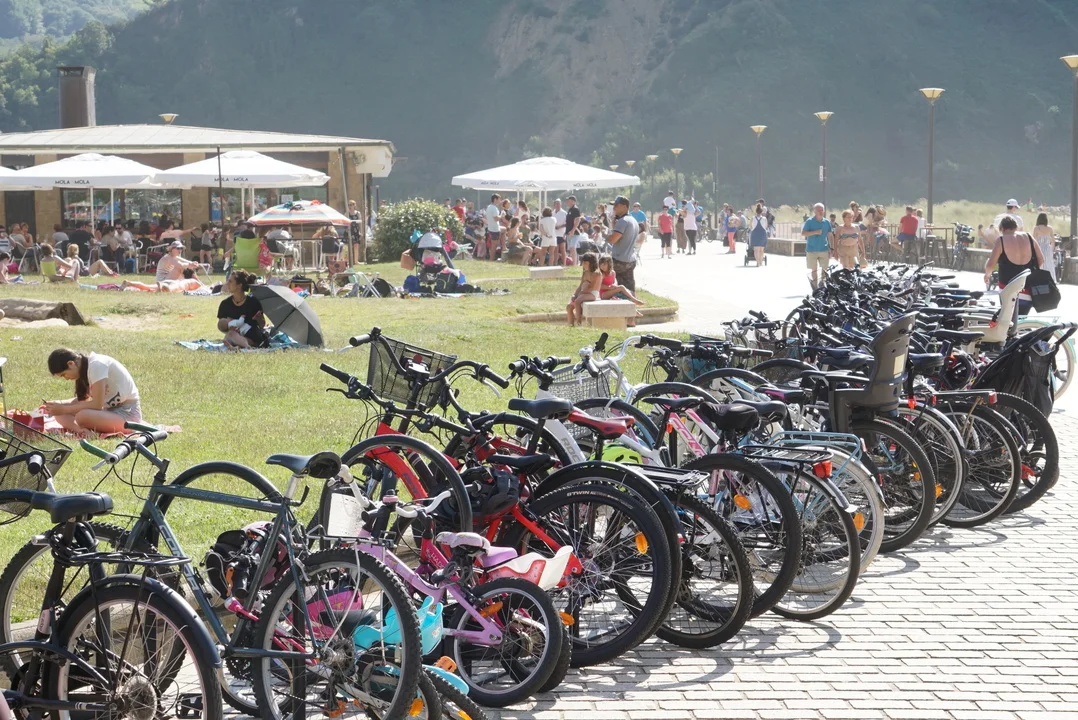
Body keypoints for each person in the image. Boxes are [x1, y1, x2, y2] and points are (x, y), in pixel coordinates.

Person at [45, 348, 142, 433]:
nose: (66, 378)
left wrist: (64, 409)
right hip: (107, 411)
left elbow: (97, 405)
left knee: (82, 416)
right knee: (59, 414)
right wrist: (58, 404)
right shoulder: (85, 369)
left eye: (64, 374)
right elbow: (84, 401)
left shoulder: (96, 365)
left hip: (128, 415)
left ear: (71, 364)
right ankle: (82, 431)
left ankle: (87, 429)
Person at [984, 216, 1044, 316]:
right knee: (1021, 320)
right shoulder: (1029, 237)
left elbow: (990, 265)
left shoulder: (1001, 240)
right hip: (1027, 288)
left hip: (1008, 289)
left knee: (1008, 320)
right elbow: (1041, 259)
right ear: (1016, 227)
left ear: (1002, 229)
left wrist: (987, 275)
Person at [217, 270, 270, 349]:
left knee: (231, 337)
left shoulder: (253, 302)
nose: (227, 284)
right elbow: (221, 325)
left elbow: (262, 325)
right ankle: (238, 346)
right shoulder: (225, 304)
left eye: (230, 281)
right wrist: (229, 326)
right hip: (235, 335)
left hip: (252, 337)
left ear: (239, 285)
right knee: (230, 335)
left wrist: (259, 318)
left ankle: (242, 346)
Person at [607, 196, 640, 292]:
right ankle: (632, 300)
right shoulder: (633, 220)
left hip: (619, 259)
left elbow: (612, 239)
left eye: (616, 205)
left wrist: (606, 234)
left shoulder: (623, 221)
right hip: (630, 259)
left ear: (624, 206)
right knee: (629, 288)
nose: (614, 208)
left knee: (605, 281)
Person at [802, 203, 833, 289]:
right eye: (819, 210)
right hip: (811, 249)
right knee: (814, 269)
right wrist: (815, 232)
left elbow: (830, 235)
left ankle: (822, 284)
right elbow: (803, 233)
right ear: (815, 211)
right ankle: (815, 288)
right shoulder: (809, 221)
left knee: (825, 269)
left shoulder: (827, 222)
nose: (821, 211)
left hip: (824, 249)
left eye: (822, 210)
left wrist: (832, 248)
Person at [566, 251, 601, 327]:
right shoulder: (585, 272)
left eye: (585, 263)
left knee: (577, 301)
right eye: (583, 263)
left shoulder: (596, 274)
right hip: (583, 292)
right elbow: (580, 285)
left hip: (592, 293)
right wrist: (575, 294)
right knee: (569, 307)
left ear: (591, 263)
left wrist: (581, 293)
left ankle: (579, 322)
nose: (583, 265)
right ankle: (571, 325)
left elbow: (591, 288)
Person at [122, 267, 204, 293]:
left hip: (170, 281)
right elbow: (203, 288)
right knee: (172, 289)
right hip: (176, 284)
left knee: (147, 287)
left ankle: (129, 283)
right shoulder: (193, 281)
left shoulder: (181, 279)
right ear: (193, 275)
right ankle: (162, 287)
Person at [484, 193, 504, 260]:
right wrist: (502, 215)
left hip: (491, 228)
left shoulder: (489, 207)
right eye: (499, 199)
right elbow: (496, 218)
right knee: (494, 246)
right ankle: (491, 259)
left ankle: (504, 246)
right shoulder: (494, 208)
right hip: (494, 229)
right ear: (495, 199)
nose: (500, 201)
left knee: (504, 229)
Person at [553, 198, 568, 265]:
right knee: (555, 250)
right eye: (556, 204)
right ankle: (555, 263)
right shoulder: (552, 213)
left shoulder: (564, 213)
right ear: (554, 205)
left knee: (562, 249)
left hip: (561, 233)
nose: (557, 205)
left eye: (558, 204)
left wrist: (560, 226)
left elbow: (567, 223)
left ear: (561, 204)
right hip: (554, 234)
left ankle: (564, 263)